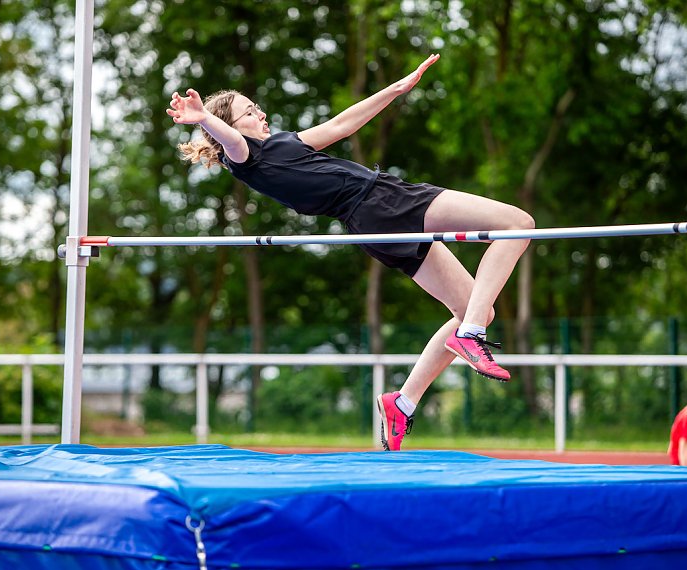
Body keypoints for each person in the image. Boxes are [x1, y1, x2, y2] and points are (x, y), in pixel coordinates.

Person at [167, 54, 534, 451]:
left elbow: (342, 124)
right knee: (517, 224)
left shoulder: (282, 144)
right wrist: (205, 118)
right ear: (229, 128)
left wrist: (395, 89)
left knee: (473, 307)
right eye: (250, 113)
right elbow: (234, 141)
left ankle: (403, 402)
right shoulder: (247, 159)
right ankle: (471, 335)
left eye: (257, 108)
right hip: (382, 202)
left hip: (374, 222)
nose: (261, 114)